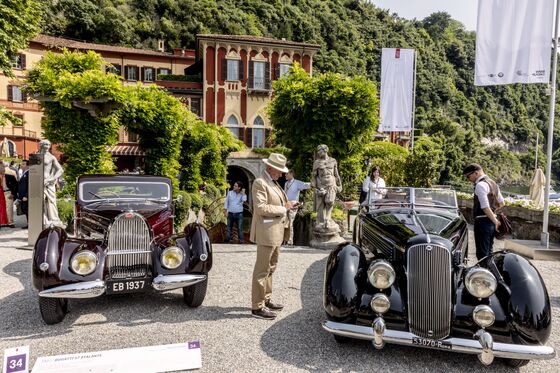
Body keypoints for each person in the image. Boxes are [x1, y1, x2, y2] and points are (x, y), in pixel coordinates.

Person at [250, 153, 299, 320]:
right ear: (270, 168)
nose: (282, 174)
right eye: (279, 170)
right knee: (262, 270)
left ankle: (266, 299)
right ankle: (257, 307)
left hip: (275, 232)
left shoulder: (273, 183)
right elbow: (261, 208)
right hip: (266, 233)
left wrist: (289, 205)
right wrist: (284, 208)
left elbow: (278, 205)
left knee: (271, 268)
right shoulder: (260, 183)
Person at [463, 163, 505, 260]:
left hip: (482, 222)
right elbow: (502, 203)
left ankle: (483, 273)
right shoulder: (493, 183)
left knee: (482, 254)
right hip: (491, 223)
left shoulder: (480, 185)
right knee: (489, 252)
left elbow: (485, 207)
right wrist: (493, 213)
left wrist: (495, 221)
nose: (468, 180)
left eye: (468, 177)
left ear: (476, 173)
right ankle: (489, 272)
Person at [310, 144, 342, 229]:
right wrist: (315, 188)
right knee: (320, 205)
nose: (318, 152)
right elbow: (313, 176)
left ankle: (328, 218)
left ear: (325, 150)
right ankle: (321, 221)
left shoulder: (333, 161)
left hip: (331, 184)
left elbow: (336, 174)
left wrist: (339, 185)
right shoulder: (316, 162)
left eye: (319, 150)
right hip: (321, 185)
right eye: (317, 151)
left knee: (330, 201)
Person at [38, 139, 64, 227]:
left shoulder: (51, 157)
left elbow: (60, 170)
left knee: (51, 201)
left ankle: (53, 219)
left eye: (49, 145)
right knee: (39, 202)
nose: (47, 146)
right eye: (45, 144)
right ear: (41, 145)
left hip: (48, 183)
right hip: (37, 183)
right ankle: (43, 220)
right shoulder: (35, 156)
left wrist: (51, 179)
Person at [283, 169, 310, 245]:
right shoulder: (286, 183)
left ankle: (290, 241)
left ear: (291, 174)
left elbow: (306, 185)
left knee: (290, 223)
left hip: (294, 206)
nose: (285, 175)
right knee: (285, 223)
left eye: (286, 173)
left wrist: (316, 183)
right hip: (286, 206)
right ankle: (285, 240)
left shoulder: (297, 183)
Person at [2, 162, 18, 228]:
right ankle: (3, 222)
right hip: (1, 193)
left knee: (9, 208)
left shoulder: (10, 176)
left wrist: (13, 193)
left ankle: (10, 222)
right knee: (2, 208)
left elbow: (16, 185)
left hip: (8, 193)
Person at [17, 159, 29, 229]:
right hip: (22, 196)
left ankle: (29, 224)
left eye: (23, 164)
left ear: (27, 165)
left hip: (25, 196)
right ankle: (28, 223)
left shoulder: (28, 173)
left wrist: (26, 195)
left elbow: (29, 185)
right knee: (25, 210)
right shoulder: (24, 172)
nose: (22, 165)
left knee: (27, 210)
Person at [0, 163, 9, 228]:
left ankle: (2, 221)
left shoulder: (1, 176)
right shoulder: (3, 175)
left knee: (2, 206)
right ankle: (3, 221)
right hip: (1, 191)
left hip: (1, 191)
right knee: (2, 206)